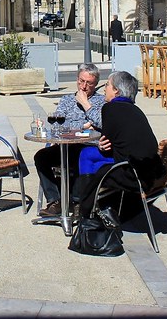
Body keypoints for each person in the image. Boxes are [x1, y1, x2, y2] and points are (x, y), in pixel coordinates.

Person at [73, 71, 164, 221]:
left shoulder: (110, 108)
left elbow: (108, 145)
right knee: (89, 154)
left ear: (116, 90)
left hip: (131, 173)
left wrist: (103, 145)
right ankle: (91, 202)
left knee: (87, 156)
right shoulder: (135, 110)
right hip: (149, 169)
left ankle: (86, 206)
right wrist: (104, 144)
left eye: (107, 85)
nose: (104, 89)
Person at [34, 63, 105, 218]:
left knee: (81, 156)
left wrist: (86, 105)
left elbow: (100, 123)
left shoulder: (101, 102)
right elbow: (58, 125)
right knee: (41, 157)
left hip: (88, 145)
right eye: (81, 81)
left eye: (89, 83)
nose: (84, 86)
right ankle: (55, 200)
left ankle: (79, 202)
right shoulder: (66, 100)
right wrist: (84, 125)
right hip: (65, 145)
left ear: (96, 84)